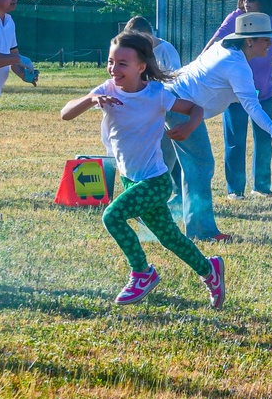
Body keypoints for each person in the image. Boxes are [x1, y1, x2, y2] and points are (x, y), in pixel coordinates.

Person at [59, 31, 226, 308]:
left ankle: (142, 273)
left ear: (141, 66)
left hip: (156, 181)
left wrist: (188, 127)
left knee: (112, 216)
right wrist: (91, 100)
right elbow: (65, 113)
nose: (114, 68)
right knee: (170, 238)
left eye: (123, 63)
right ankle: (211, 272)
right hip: (130, 181)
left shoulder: (156, 95)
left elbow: (196, 108)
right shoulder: (106, 90)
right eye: (111, 61)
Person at [166, 12, 272, 241]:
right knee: (200, 165)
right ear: (249, 41)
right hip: (179, 106)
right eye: (265, 39)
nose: (270, 44)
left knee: (182, 166)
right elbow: (252, 107)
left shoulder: (225, 49)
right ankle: (201, 231)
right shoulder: (237, 66)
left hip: (174, 101)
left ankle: (181, 223)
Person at [202, 0, 272, 199]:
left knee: (264, 139)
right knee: (235, 142)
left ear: (263, 0)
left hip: (264, 91)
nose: (245, 2)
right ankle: (235, 190)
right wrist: (201, 65)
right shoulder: (235, 18)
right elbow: (215, 42)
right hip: (236, 94)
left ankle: (261, 187)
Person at [123, 16, 183, 200]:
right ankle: (173, 191)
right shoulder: (139, 52)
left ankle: (173, 194)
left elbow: (176, 80)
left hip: (167, 109)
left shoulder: (165, 50)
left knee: (167, 153)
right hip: (148, 111)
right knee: (156, 152)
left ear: (147, 35)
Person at [0, 0, 38, 96]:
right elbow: (15, 58)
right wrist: (18, 59)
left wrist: (22, 73)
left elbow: (12, 55)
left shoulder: (9, 21)